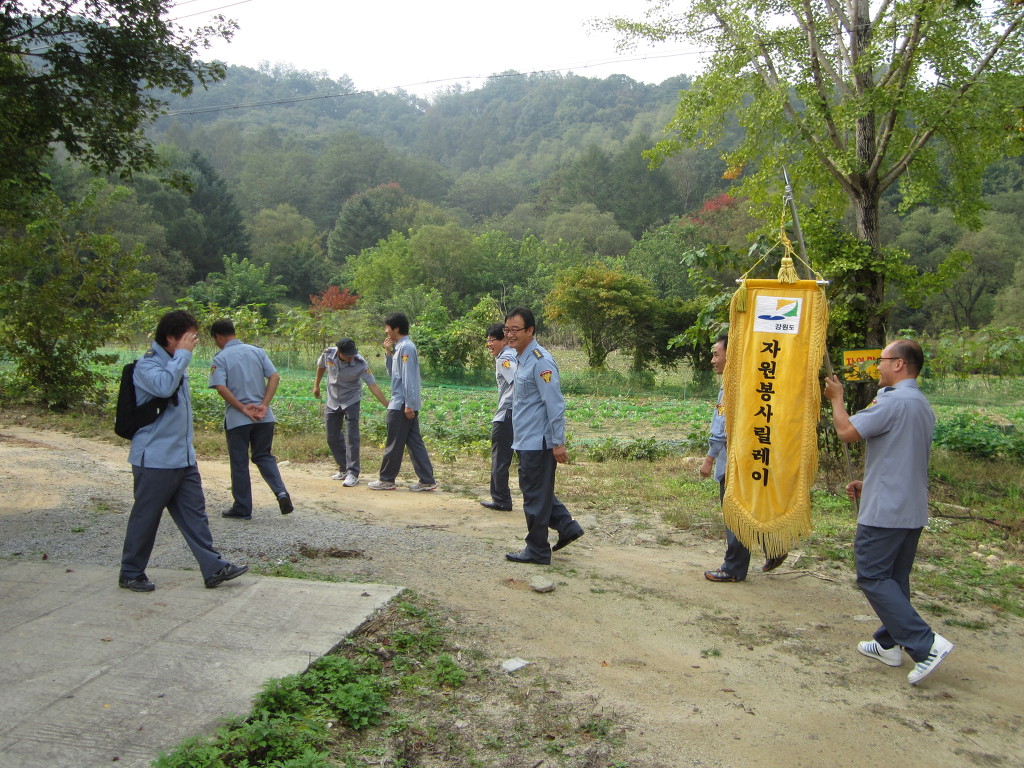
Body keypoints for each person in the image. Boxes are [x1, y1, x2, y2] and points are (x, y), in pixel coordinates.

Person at [824, 339, 953, 685]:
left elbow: (847, 432)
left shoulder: (893, 401)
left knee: (872, 575)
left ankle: (925, 644)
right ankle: (888, 643)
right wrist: (870, 483)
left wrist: (836, 399)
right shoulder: (921, 404)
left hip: (886, 511)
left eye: (882, 360)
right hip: (910, 506)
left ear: (899, 364)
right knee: (894, 579)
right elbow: (902, 456)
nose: (877, 366)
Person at [119, 310, 247, 592]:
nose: (194, 343)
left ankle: (214, 567)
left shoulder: (176, 362)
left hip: (182, 457)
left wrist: (180, 358)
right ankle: (131, 572)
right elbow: (164, 388)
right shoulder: (147, 365)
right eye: (189, 337)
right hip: (155, 459)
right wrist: (182, 356)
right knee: (146, 517)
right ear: (170, 338)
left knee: (195, 514)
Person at [702, 334, 787, 582]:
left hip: (734, 461)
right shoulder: (753, 381)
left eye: (716, 354)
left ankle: (733, 568)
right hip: (754, 457)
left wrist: (710, 458)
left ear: (731, 355)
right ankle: (774, 546)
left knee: (734, 512)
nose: (713, 360)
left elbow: (722, 426)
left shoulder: (731, 385)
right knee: (751, 506)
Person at [502, 307, 584, 564]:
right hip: (526, 438)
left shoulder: (540, 361)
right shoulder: (521, 359)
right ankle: (566, 526)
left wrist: (558, 442)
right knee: (536, 490)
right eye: (507, 329)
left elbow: (555, 404)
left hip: (538, 441)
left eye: (515, 329)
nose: (510, 334)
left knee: (534, 496)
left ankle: (537, 549)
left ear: (530, 330)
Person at [208, 319, 292, 519]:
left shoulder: (220, 358)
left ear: (218, 337)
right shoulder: (257, 352)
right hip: (264, 417)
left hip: (238, 420)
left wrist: (243, 408)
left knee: (239, 462)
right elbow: (274, 376)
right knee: (263, 456)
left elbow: (221, 387)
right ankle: (281, 492)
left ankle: (242, 508)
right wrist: (264, 404)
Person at [368, 312, 438, 492]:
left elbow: (408, 378)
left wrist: (408, 405)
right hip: (403, 403)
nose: (386, 331)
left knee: (394, 443)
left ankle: (387, 480)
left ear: (396, 328)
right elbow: (395, 374)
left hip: (401, 404)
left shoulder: (406, 347)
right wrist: (388, 353)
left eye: (387, 327)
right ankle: (427, 480)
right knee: (414, 442)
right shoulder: (400, 348)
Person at [314, 337, 390, 486]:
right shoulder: (328, 354)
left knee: (352, 436)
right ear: (339, 352)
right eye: (347, 355)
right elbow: (321, 366)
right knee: (331, 436)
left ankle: (353, 473)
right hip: (332, 400)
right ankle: (344, 468)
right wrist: (316, 385)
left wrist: (388, 405)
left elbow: (372, 385)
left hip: (351, 400)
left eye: (352, 354)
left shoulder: (360, 363)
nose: (351, 358)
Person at [480, 322, 518, 511]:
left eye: (492, 340)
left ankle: (501, 499)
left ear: (503, 340)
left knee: (500, 458)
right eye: (487, 340)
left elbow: (518, 382)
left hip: (507, 414)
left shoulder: (504, 359)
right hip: (516, 413)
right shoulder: (516, 354)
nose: (489, 344)